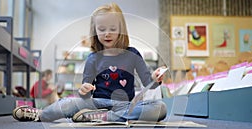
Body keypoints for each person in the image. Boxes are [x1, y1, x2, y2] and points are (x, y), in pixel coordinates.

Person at [12, 2, 167, 122]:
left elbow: (149, 83)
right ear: (95, 32)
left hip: (124, 106)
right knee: (68, 103)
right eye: (101, 29)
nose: (107, 33)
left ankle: (106, 118)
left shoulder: (133, 54)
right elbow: (84, 93)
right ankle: (41, 114)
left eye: (113, 28)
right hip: (96, 103)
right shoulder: (93, 58)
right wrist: (84, 90)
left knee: (160, 108)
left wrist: (155, 78)